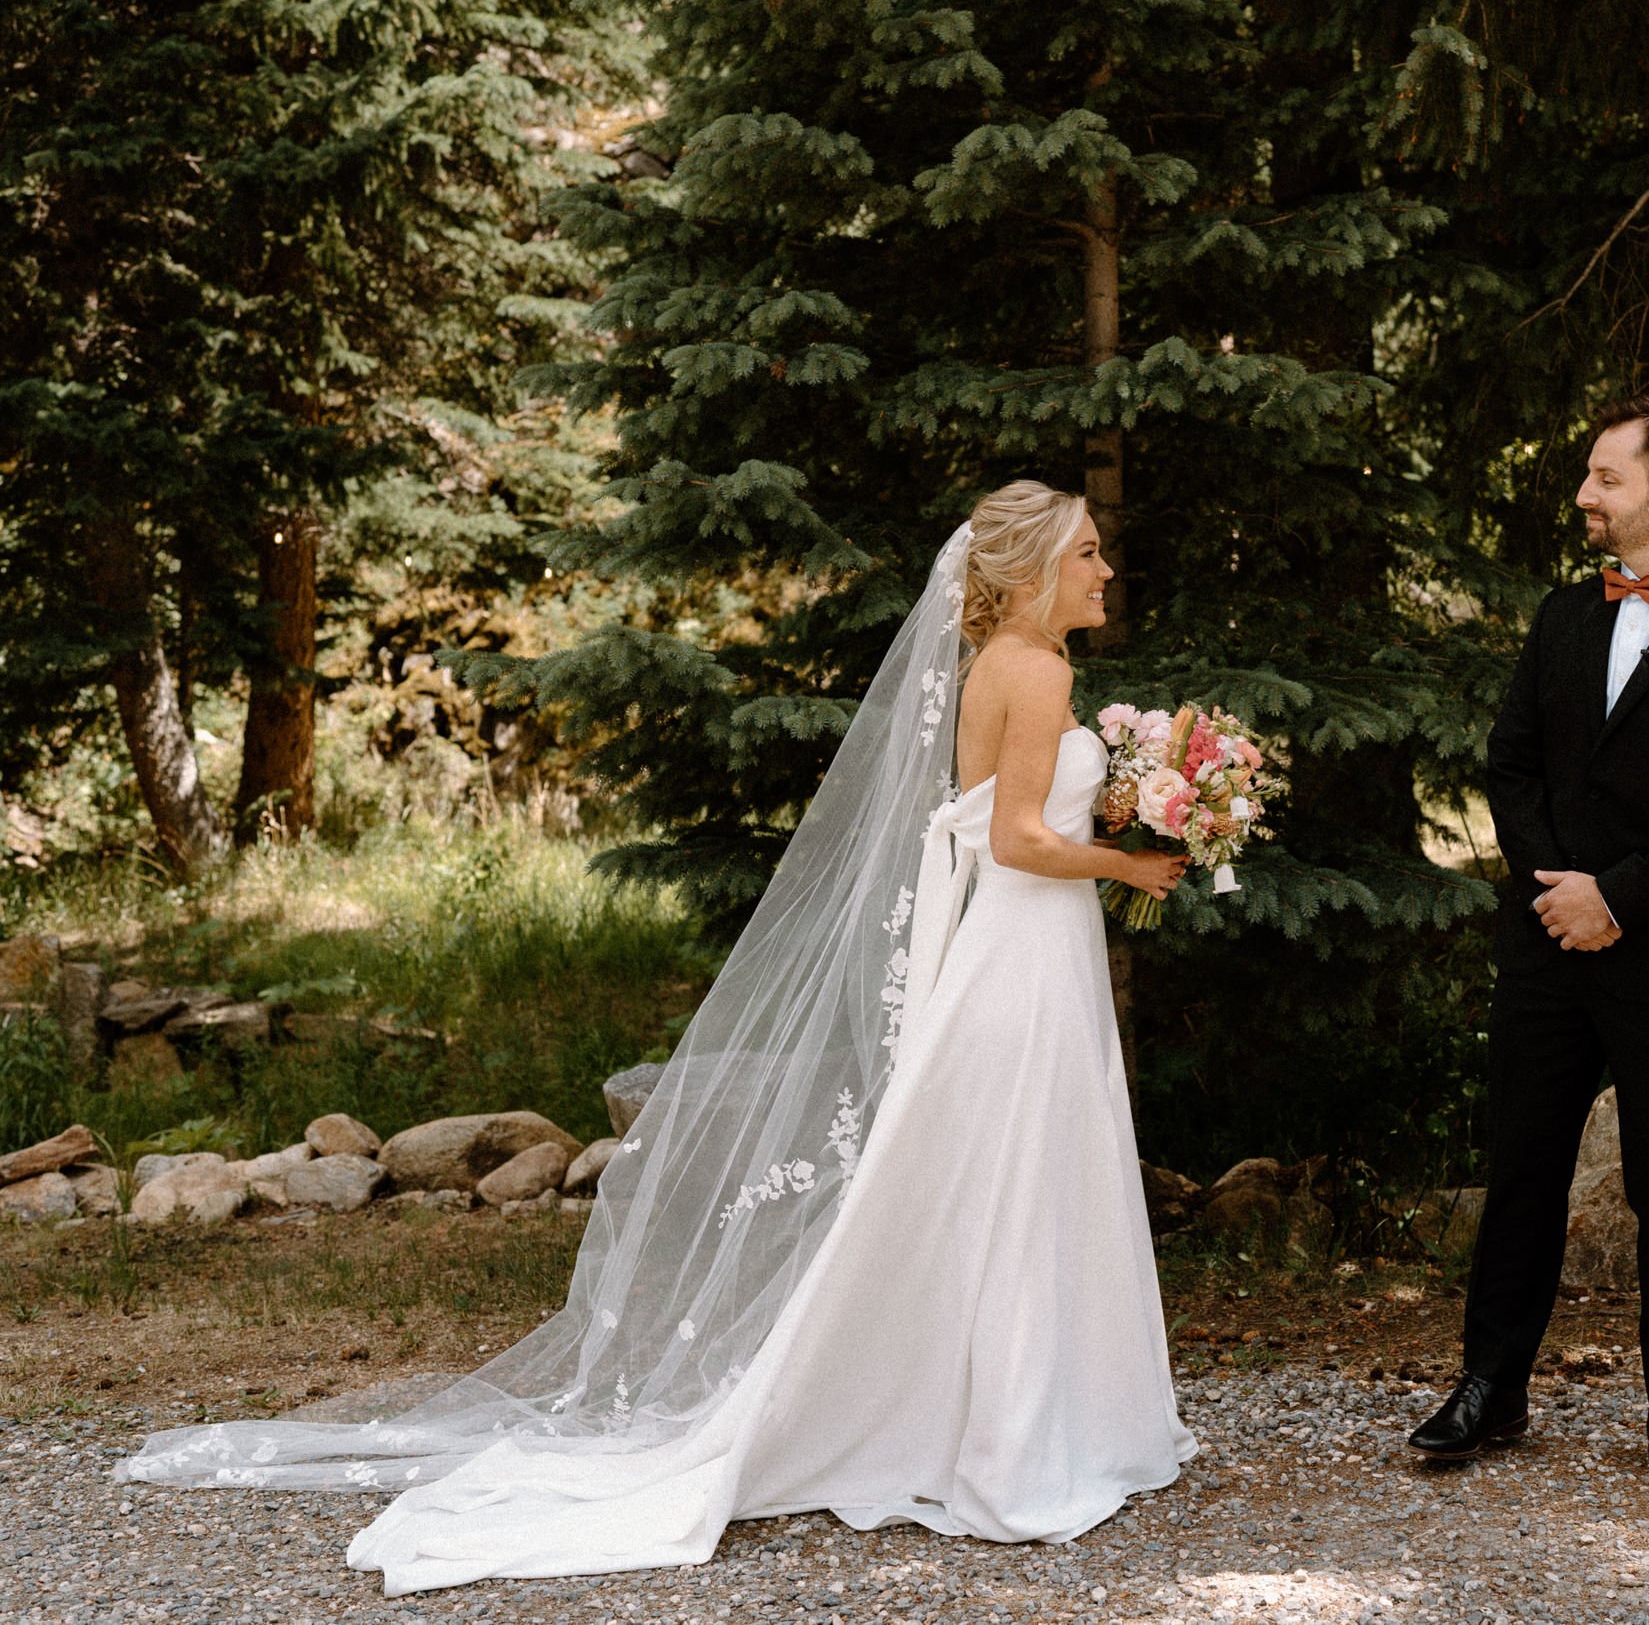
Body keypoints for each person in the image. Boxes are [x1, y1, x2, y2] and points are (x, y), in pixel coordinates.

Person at [115, 482, 1195, 1593]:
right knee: (1026, 1172)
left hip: (1011, 953)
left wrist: (1121, 810)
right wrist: (1132, 861)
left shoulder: (998, 667)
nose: (1104, 571)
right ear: (1029, 572)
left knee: (1007, 1170)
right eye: (1089, 554)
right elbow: (1016, 840)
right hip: (1023, 949)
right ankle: (1022, 1432)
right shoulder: (1042, 667)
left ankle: (1003, 1408)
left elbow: (1000, 809)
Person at [1407, 395, 1649, 1501]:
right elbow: (1511, 762)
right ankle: (1491, 1388)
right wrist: (1556, 894)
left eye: (1604, 477)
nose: (1584, 495)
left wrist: (1616, 898)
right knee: (1520, 1171)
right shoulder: (1563, 615)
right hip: (1548, 945)